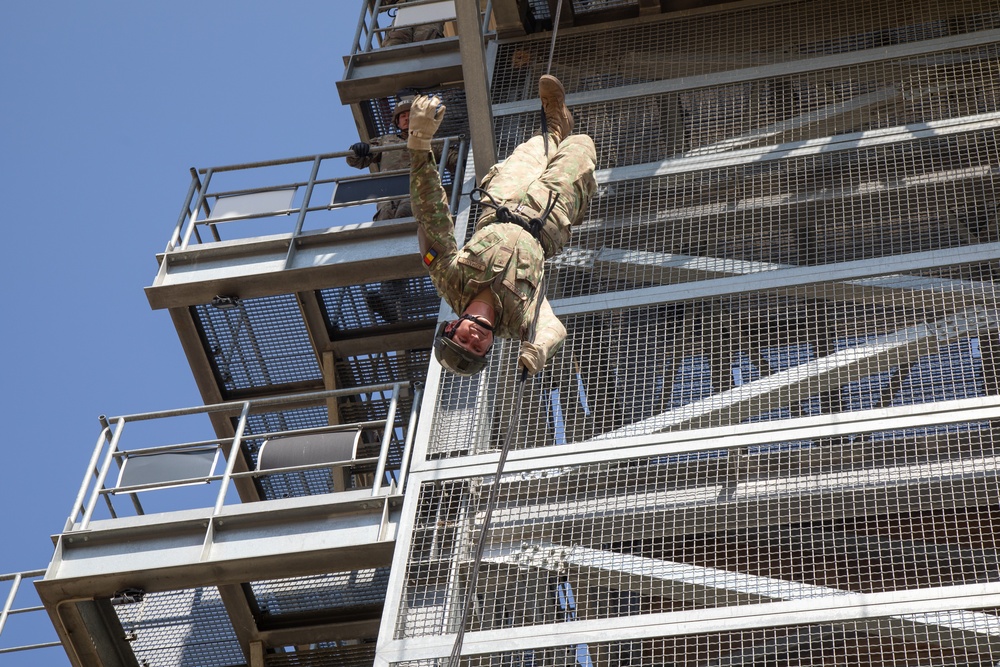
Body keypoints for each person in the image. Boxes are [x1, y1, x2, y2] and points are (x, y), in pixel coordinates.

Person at [408, 75, 597, 377]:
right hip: (547, 217)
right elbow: (552, 329)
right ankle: (565, 138)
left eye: (463, 340)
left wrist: (419, 145)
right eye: (477, 348)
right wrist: (538, 350)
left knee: (542, 144)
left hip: (502, 200)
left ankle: (557, 122)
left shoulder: (451, 279)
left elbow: (432, 216)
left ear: (453, 326)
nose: (475, 339)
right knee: (581, 146)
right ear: (489, 348)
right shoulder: (519, 320)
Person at [380, 0, 445, 48]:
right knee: (395, 40)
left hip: (429, 10)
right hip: (405, 11)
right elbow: (377, 5)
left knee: (427, 40)